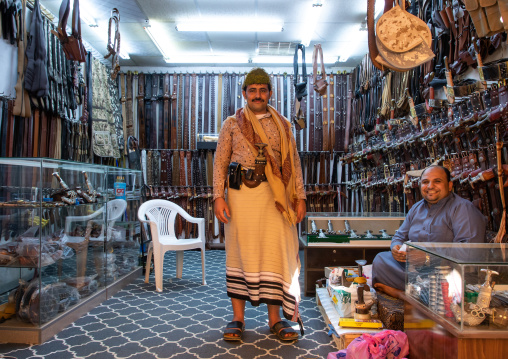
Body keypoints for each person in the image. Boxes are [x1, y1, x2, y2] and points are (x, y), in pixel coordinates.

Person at [213, 68, 307, 342]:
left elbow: (295, 163)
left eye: (262, 90)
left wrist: (300, 197)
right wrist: (218, 197)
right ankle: (238, 318)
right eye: (252, 90)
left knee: (274, 253)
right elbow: (219, 162)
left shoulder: (284, 124)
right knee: (241, 252)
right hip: (241, 198)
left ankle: (275, 319)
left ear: (270, 93)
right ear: (244, 93)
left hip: (276, 199)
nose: (257, 95)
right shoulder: (231, 124)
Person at [372, 165, 487, 298]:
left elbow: (470, 252)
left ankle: (405, 294)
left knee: (443, 283)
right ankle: (417, 292)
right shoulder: (417, 208)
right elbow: (399, 236)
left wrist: (428, 257)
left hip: (446, 273)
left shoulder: (463, 209)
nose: (430, 186)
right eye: (425, 182)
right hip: (415, 270)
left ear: (449, 186)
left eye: (437, 181)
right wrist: (396, 248)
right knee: (380, 259)